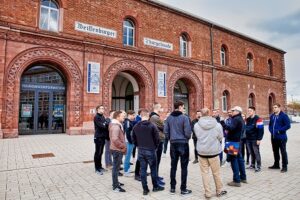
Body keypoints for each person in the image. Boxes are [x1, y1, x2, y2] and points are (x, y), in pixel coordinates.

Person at [194, 108, 227, 198]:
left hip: (202, 152)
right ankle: (219, 191)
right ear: (209, 113)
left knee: (205, 173)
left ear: (201, 114)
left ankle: (208, 193)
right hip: (214, 152)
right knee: (216, 173)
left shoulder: (197, 125)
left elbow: (197, 136)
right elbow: (221, 137)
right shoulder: (217, 125)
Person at [132, 109, 164, 195]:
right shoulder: (152, 125)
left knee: (143, 170)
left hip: (141, 151)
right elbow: (157, 139)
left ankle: (145, 189)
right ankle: (155, 187)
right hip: (151, 150)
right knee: (153, 169)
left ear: (141, 116)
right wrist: (155, 147)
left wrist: (139, 146)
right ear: (148, 115)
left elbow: (133, 139)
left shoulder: (136, 126)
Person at [164, 100, 192, 195]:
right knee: (184, 167)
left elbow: (166, 131)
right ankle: (183, 189)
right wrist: (186, 139)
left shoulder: (168, 118)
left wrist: (171, 139)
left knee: (173, 166)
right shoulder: (184, 118)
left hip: (173, 143)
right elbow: (188, 132)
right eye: (183, 107)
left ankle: (172, 188)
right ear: (180, 107)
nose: (183, 108)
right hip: (183, 143)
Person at [221, 106, 247, 187]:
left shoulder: (236, 119)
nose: (231, 112)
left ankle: (236, 180)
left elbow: (230, 128)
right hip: (237, 141)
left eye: (233, 110)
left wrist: (222, 123)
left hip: (233, 142)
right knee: (239, 159)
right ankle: (243, 177)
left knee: (233, 160)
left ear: (237, 111)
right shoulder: (240, 119)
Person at [268, 103, 291, 173]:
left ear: (279, 108)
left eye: (275, 107)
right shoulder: (272, 116)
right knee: (275, 151)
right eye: (273, 107)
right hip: (273, 137)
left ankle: (284, 166)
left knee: (283, 152)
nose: (274, 109)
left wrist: (279, 130)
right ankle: (276, 164)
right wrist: (271, 131)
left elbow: (288, 125)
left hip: (281, 137)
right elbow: (270, 125)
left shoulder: (284, 116)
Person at [109, 111, 127, 192]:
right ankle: (115, 186)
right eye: (122, 116)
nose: (124, 117)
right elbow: (115, 139)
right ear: (117, 117)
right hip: (117, 150)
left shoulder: (115, 125)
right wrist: (122, 146)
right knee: (116, 168)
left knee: (116, 168)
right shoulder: (116, 127)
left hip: (116, 149)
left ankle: (116, 182)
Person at [149, 102, 165, 186]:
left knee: (157, 160)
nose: (162, 109)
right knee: (156, 160)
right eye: (161, 107)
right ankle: (155, 179)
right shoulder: (155, 117)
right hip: (158, 140)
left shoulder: (154, 116)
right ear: (157, 108)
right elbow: (164, 127)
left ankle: (156, 176)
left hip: (158, 139)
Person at [245, 107, 264, 172]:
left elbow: (260, 130)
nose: (249, 112)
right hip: (248, 139)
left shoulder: (258, 119)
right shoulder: (247, 119)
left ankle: (258, 166)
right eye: (248, 111)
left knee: (256, 152)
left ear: (254, 111)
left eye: (250, 111)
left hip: (255, 139)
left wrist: (259, 139)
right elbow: (245, 128)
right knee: (251, 152)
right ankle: (252, 165)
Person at [94, 105, 109, 175]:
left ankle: (100, 167)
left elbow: (105, 125)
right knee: (97, 153)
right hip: (98, 137)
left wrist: (105, 123)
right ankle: (97, 168)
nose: (102, 110)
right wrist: (106, 123)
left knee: (101, 153)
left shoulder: (102, 116)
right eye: (100, 108)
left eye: (103, 108)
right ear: (97, 110)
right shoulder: (96, 117)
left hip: (103, 137)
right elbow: (102, 126)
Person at [123, 110, 136, 176]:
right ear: (129, 115)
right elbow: (127, 133)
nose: (134, 116)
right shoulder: (127, 122)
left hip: (130, 141)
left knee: (128, 155)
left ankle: (127, 168)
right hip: (128, 142)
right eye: (133, 115)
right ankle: (126, 171)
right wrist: (131, 141)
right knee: (127, 156)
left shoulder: (130, 121)